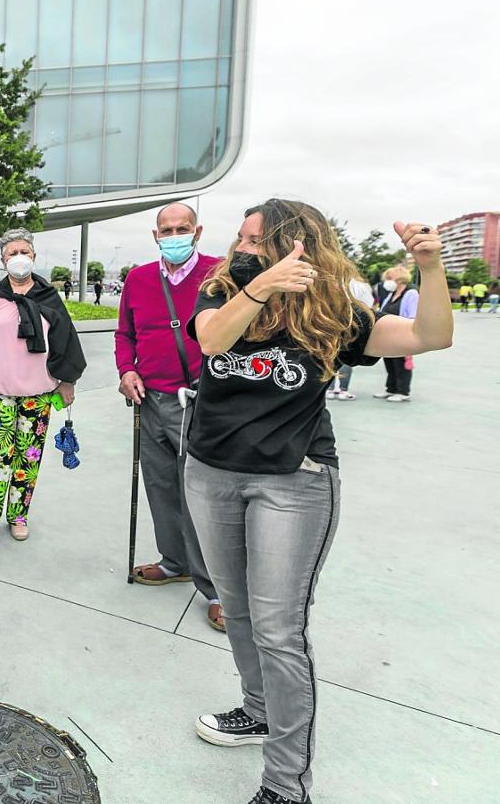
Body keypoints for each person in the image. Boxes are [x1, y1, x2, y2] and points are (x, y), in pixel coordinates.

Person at [184, 198, 452, 804]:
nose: (242, 248)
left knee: (279, 629)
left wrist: (431, 267)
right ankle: (256, 711)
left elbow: (429, 335)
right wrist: (258, 288)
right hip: (212, 473)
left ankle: (285, 785)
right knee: (238, 608)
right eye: (242, 237)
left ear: (294, 246)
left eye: (257, 241)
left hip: (292, 482)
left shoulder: (333, 312)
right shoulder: (222, 288)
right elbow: (210, 340)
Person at [114, 202, 223, 632]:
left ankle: (217, 589)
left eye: (183, 228)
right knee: (159, 487)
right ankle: (175, 560)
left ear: (197, 232)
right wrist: (127, 369)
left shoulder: (219, 274)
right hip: (150, 399)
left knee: (202, 497)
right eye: (166, 229)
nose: (174, 234)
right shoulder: (139, 279)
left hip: (201, 401)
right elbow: (125, 333)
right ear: (155, 235)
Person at [0, 229, 86, 541]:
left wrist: (66, 382)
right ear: (3, 260)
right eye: (11, 253)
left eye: (24, 252)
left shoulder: (49, 298)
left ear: (33, 256)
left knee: (28, 458)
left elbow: (66, 342)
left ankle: (18, 516)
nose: (18, 258)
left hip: (39, 395)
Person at [372, 266, 419, 403]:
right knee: (390, 363)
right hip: (388, 337)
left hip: (402, 336)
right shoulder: (391, 295)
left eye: (389, 278)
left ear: (399, 279)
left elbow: (413, 316)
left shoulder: (411, 294)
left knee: (401, 364)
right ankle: (391, 389)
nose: (386, 282)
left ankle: (403, 391)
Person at [328, 276, 376, 401]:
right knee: (345, 357)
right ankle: (342, 388)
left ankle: (331, 388)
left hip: (338, 321)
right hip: (353, 323)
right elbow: (368, 304)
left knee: (332, 357)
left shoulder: (339, 283)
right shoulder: (361, 286)